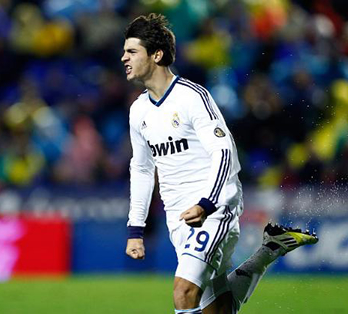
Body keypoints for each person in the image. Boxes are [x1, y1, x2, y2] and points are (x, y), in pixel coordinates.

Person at [122, 13, 318, 314]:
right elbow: (143, 169)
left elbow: (224, 151)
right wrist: (136, 228)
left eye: (132, 51)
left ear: (156, 55)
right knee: (219, 309)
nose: (124, 58)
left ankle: (267, 248)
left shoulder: (191, 97)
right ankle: (270, 249)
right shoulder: (138, 111)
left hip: (212, 208)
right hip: (178, 216)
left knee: (183, 292)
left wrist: (207, 203)